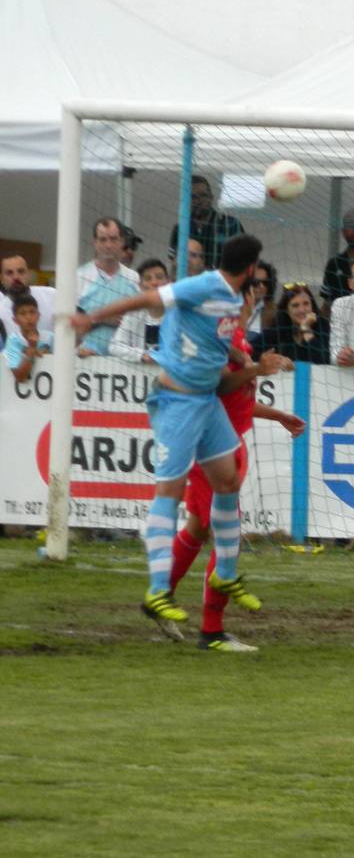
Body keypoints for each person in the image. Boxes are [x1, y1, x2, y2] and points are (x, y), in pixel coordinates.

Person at [70, 233, 264, 624]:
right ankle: (158, 590)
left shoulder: (231, 296)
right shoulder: (206, 284)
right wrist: (92, 318)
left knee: (227, 482)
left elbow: (210, 333)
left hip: (206, 402)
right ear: (250, 268)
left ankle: (225, 575)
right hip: (178, 402)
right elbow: (150, 299)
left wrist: (235, 353)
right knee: (170, 491)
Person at [162, 286, 303, 650]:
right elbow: (216, 387)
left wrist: (278, 415)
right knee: (227, 539)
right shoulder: (220, 341)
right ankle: (212, 631)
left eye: (251, 296)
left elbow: (236, 398)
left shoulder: (237, 339)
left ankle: (160, 597)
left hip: (221, 441)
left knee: (198, 525)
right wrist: (256, 368)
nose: (248, 301)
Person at [77, 217, 140, 357]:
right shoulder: (79, 276)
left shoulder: (134, 278)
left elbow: (140, 320)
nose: (108, 245)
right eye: (103, 239)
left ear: (122, 242)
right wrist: (102, 319)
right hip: (87, 359)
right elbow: (69, 324)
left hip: (125, 362)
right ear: (95, 242)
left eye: (113, 239)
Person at [167, 176, 245, 271]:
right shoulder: (180, 228)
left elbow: (243, 260)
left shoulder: (231, 225)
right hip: (190, 284)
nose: (198, 201)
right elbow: (174, 262)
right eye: (192, 196)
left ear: (211, 198)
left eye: (202, 195)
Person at [110, 259, 169, 364]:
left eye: (159, 277)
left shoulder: (180, 314)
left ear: (168, 282)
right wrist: (142, 355)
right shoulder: (133, 314)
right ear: (140, 286)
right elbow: (115, 346)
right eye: (148, 279)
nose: (154, 282)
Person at [262, 283, 332, 365]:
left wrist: (306, 328)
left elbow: (323, 359)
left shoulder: (323, 325)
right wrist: (278, 360)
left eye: (306, 303)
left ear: (312, 306)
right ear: (287, 310)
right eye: (295, 305)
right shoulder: (279, 326)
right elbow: (254, 350)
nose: (302, 310)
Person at [0, 252, 56, 339]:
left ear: (29, 274)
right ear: (2, 279)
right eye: (9, 273)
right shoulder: (1, 312)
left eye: (21, 271)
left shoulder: (51, 295)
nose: (16, 277)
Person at [4, 293, 52, 384]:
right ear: (15, 320)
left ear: (38, 316)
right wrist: (31, 349)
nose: (28, 317)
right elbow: (20, 377)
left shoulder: (50, 338)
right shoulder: (13, 341)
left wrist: (48, 354)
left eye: (32, 312)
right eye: (22, 313)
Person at [245, 260, 278, 347]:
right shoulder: (234, 304)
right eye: (256, 282)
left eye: (265, 282)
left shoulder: (274, 310)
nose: (261, 286)